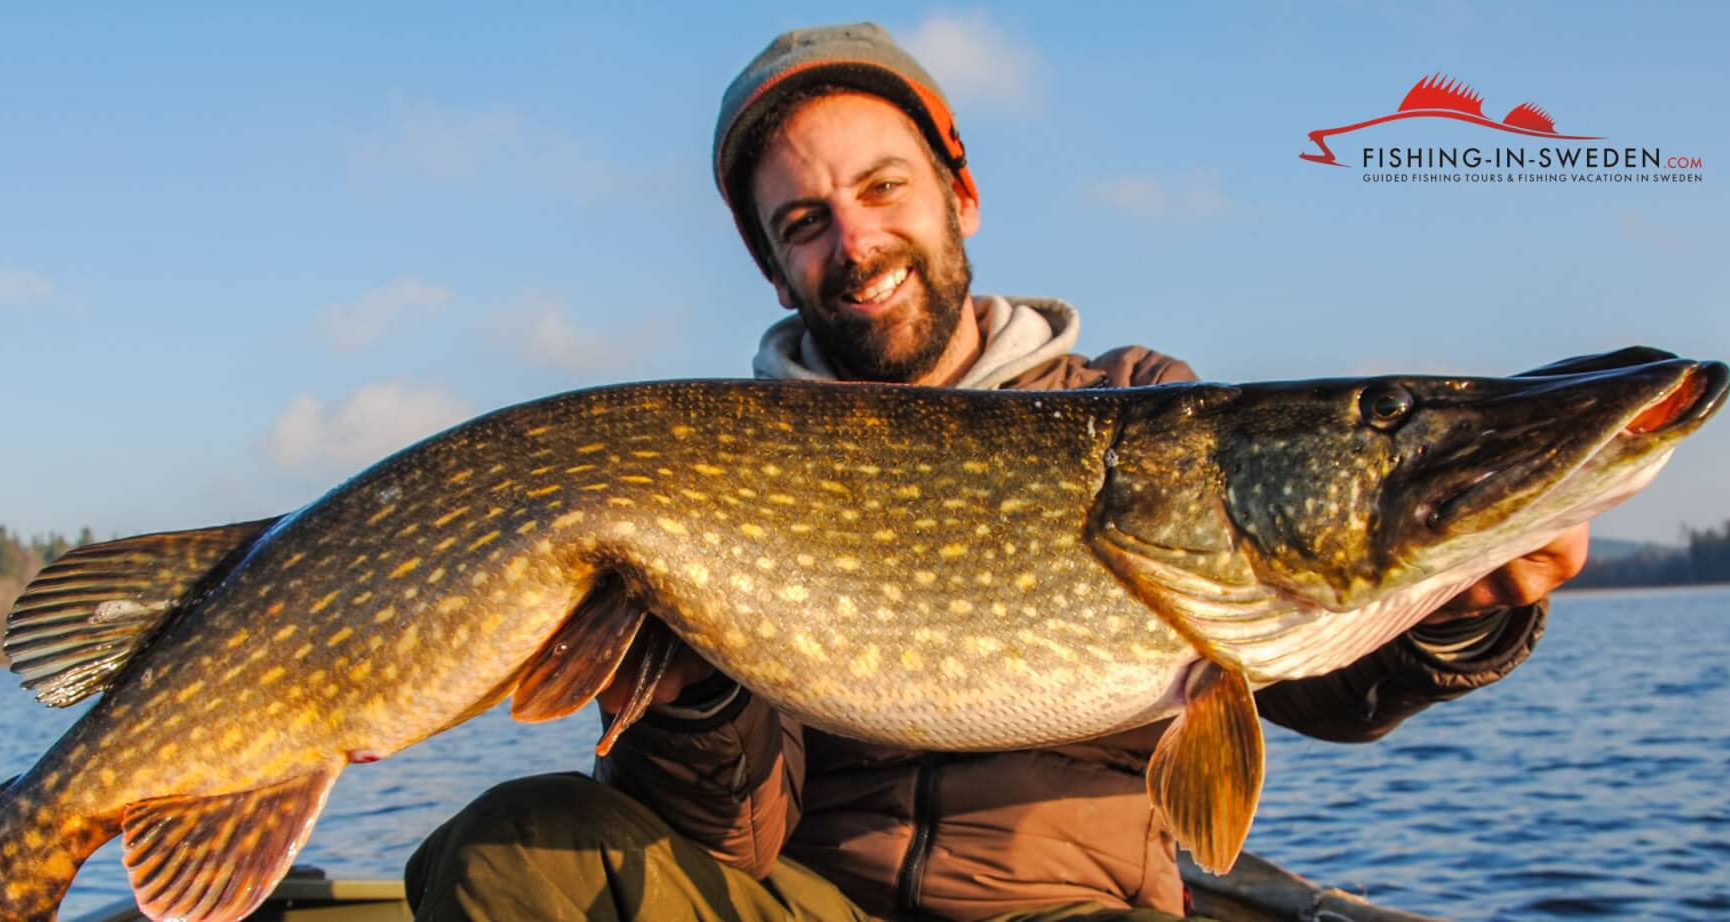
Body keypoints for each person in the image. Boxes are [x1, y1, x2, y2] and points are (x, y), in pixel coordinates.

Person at [403, 23, 1588, 921]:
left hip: (1060, 904)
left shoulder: (1136, 408)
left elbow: (1316, 677)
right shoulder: (715, 468)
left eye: (881, 190)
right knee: (511, 849)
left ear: (957, 194)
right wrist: (697, 679)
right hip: (812, 900)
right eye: (803, 222)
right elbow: (729, 834)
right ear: (773, 272)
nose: (853, 243)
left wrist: (1456, 617)